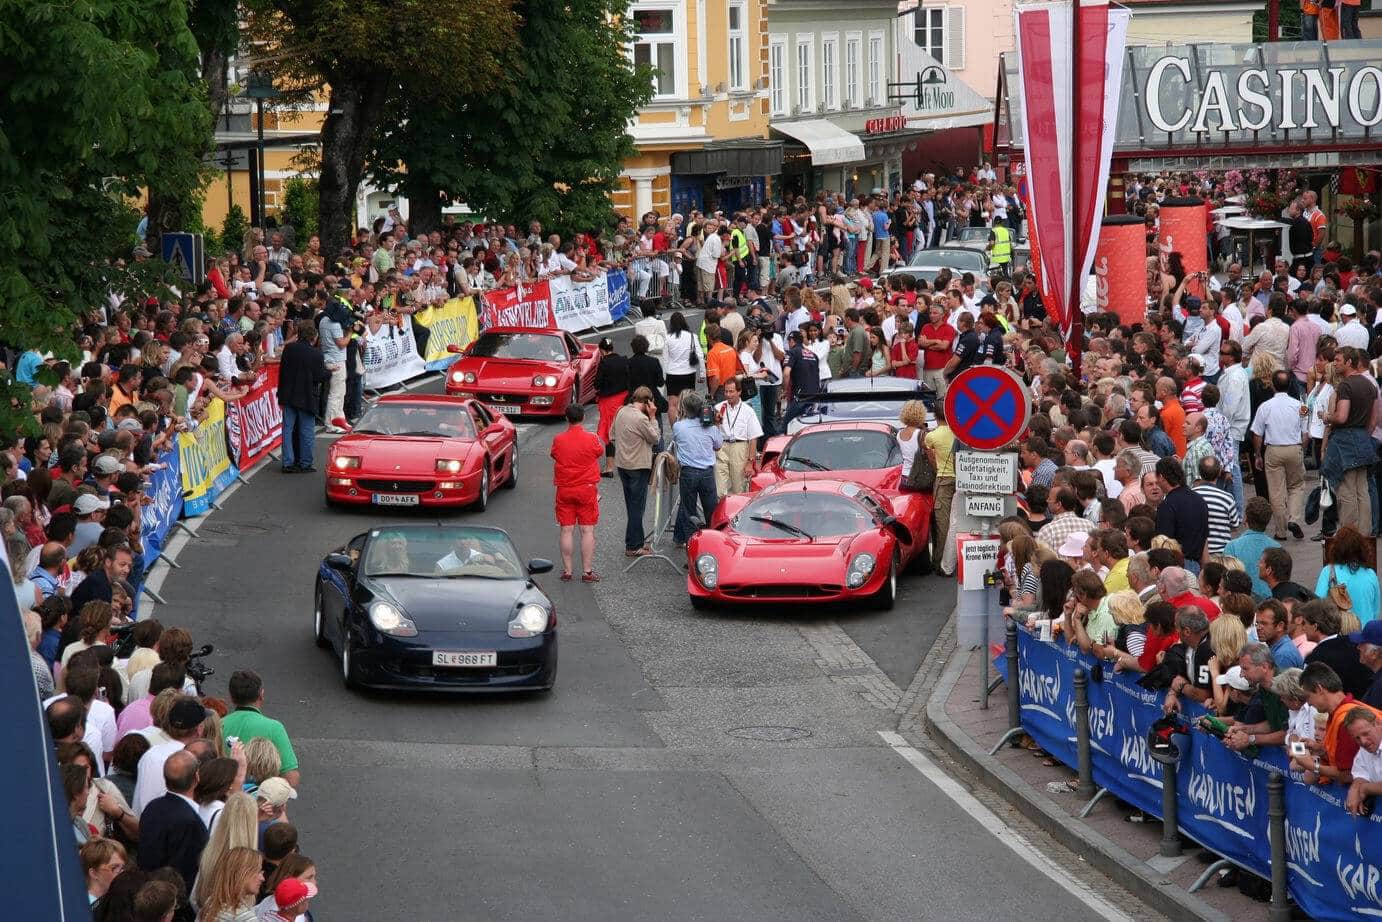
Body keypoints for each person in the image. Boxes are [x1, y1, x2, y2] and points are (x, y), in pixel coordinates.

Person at [1323, 347, 1378, 537]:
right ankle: (1365, 533)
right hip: (1363, 437)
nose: (1335, 363)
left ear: (1348, 362)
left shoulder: (1346, 386)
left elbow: (1342, 416)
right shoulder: (1370, 384)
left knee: (1346, 491)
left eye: (1338, 360)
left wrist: (1327, 416)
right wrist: (1363, 435)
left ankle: (1349, 534)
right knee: (1362, 489)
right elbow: (1373, 420)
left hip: (1346, 439)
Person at [137, 750, 210, 891]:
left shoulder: (153, 807)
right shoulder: (190, 822)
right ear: (197, 777)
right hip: (171, 899)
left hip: (147, 891)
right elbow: (187, 872)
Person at [549, 404, 604, 582]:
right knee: (587, 530)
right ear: (583, 418)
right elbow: (599, 452)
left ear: (567, 418)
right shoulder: (591, 439)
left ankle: (568, 570)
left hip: (565, 488)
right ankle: (587, 572)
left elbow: (555, 455)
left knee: (566, 530)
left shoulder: (559, 439)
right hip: (586, 488)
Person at [1250, 369, 1306, 540]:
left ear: (1273, 385)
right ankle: (1295, 518)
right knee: (1296, 486)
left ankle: (1280, 530)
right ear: (1290, 385)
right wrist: (1301, 449)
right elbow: (1306, 432)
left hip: (1273, 449)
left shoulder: (1265, 407)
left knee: (1276, 490)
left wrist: (1258, 454)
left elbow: (1257, 434)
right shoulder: (1300, 406)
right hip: (1294, 447)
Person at [221, 671, 300, 788]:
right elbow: (291, 777)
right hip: (262, 801)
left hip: (224, 800)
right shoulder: (274, 728)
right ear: (261, 695)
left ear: (231, 697)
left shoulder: (218, 724)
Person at [611, 387, 661, 557]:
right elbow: (655, 438)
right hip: (638, 466)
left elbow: (611, 435)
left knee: (631, 506)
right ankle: (633, 546)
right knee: (637, 508)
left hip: (622, 464)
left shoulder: (621, 411)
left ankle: (635, 541)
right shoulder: (641, 419)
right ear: (648, 402)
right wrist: (653, 417)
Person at [275, 320, 329, 473]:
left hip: (288, 394)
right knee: (306, 431)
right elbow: (319, 376)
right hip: (306, 396)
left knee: (287, 429)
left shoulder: (289, 349)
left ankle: (288, 462)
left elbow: (283, 371)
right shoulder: (316, 354)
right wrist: (330, 371)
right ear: (313, 336)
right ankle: (306, 462)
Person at [671, 392, 722, 549]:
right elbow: (718, 445)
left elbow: (677, 440)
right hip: (707, 473)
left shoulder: (679, 427)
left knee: (689, 512)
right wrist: (716, 424)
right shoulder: (711, 427)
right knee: (711, 510)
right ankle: (712, 545)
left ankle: (692, 547)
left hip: (688, 473)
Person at [1313, 525, 1381, 626]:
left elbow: (1317, 606)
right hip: (1365, 635)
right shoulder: (1371, 574)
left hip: (1339, 634)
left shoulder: (1328, 572)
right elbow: (1375, 611)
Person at [713, 378, 762, 497]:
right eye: (726, 392)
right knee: (720, 491)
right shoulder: (718, 408)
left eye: (731, 391)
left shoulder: (748, 411)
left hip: (740, 448)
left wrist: (750, 462)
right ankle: (723, 514)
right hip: (722, 447)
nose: (728, 395)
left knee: (738, 489)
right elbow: (710, 431)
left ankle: (736, 515)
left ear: (739, 392)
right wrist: (715, 423)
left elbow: (753, 437)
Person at [196, 846, 264, 922]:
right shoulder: (244, 917)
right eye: (258, 872)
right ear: (241, 873)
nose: (262, 878)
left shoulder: (210, 903)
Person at [593, 337, 629, 478]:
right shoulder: (624, 360)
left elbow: (597, 383)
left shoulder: (604, 363)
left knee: (609, 434)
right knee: (624, 430)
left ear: (602, 350)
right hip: (623, 399)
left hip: (608, 402)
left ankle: (609, 467)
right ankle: (627, 463)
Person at [1343, 708, 1382, 816]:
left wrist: (1365, 788)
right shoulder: (1365, 749)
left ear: (1378, 723)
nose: (1363, 741)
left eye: (1366, 733)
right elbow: (1361, 773)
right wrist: (1355, 787)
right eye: (1357, 738)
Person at [1254, 599, 1307, 670]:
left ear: (1280, 626)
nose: (1258, 628)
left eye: (1264, 623)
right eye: (1257, 623)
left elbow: (1276, 681)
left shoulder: (1283, 656)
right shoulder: (1279, 648)